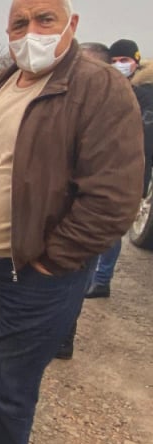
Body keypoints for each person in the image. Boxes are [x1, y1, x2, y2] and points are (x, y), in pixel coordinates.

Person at [0, 0, 144, 444]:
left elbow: (113, 198)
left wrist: (53, 261)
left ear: (71, 25)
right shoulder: (3, 82)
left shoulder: (100, 88)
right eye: (19, 23)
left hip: (38, 272)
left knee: (10, 389)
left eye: (45, 19)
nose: (30, 31)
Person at [55, 40, 113, 361]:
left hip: (78, 218)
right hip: (48, 212)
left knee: (72, 281)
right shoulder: (60, 102)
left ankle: (63, 339)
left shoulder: (110, 113)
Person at [83, 39, 153, 299]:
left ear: (136, 61)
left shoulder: (144, 93)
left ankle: (101, 279)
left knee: (110, 227)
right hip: (107, 168)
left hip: (128, 172)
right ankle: (97, 278)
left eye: (124, 61)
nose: (119, 65)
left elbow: (145, 141)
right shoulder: (111, 88)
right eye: (113, 61)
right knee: (100, 225)